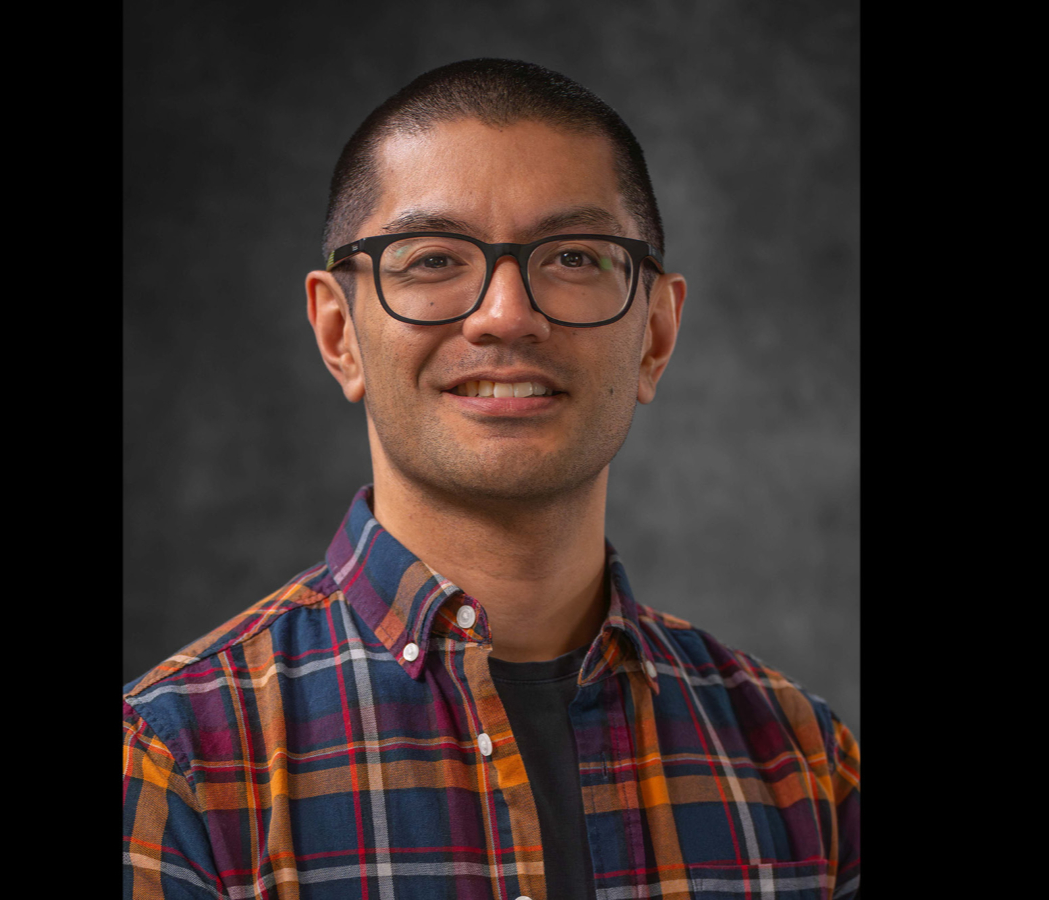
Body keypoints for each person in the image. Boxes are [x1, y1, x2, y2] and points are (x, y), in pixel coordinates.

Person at [123, 58, 860, 900]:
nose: (507, 315)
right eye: (433, 259)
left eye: (575, 256)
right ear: (339, 334)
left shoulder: (809, 768)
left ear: (655, 336)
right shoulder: (173, 763)